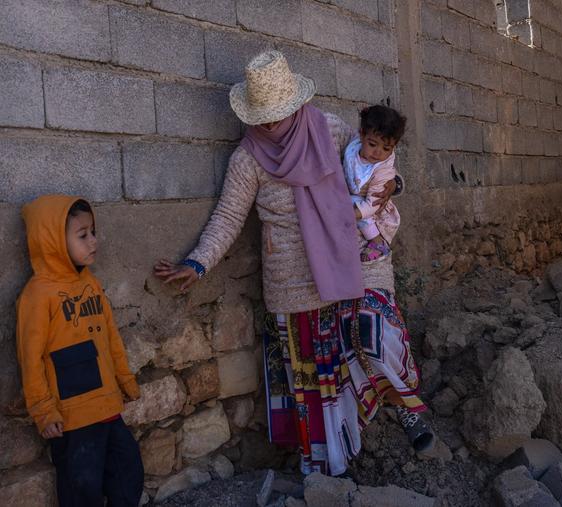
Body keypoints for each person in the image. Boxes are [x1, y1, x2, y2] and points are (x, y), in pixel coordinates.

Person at [154, 50, 433, 477]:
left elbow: (375, 162)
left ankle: (406, 405)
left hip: (352, 261)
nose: (271, 123)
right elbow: (228, 217)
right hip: (293, 282)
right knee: (314, 385)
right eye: (262, 115)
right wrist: (198, 263)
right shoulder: (248, 159)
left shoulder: (329, 129)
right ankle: (329, 471)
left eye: (278, 112)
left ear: (295, 104)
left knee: (376, 331)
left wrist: (395, 183)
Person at [16, 195, 143, 507]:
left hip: (107, 406)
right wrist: (43, 410)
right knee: (81, 485)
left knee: (128, 472)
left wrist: (124, 380)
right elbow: (29, 358)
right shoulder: (37, 294)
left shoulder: (91, 284)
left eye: (93, 232)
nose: (93, 241)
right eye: (82, 235)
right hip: (72, 417)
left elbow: (111, 336)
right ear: (53, 241)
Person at [343, 105, 405, 264]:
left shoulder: (382, 169)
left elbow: (372, 204)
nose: (378, 153)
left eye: (386, 148)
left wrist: (349, 215)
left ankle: (378, 243)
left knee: (357, 210)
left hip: (374, 206)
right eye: (372, 144)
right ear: (362, 134)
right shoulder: (352, 147)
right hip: (356, 197)